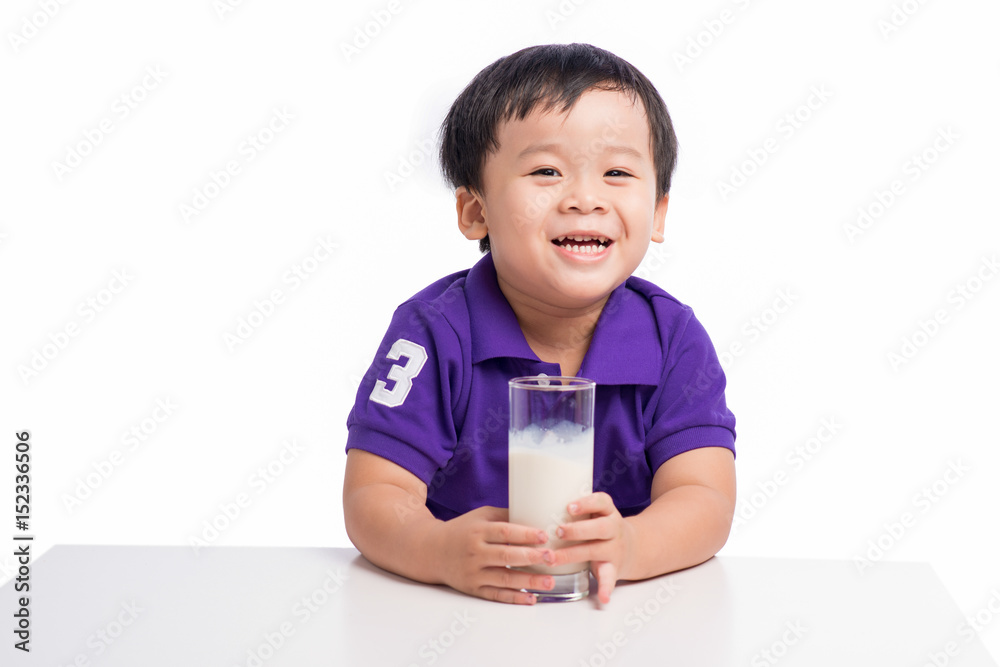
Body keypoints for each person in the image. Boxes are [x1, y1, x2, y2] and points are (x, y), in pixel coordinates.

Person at [343, 43, 736, 606]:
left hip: (624, 623)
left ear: (658, 214)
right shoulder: (432, 332)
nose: (584, 198)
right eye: (547, 170)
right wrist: (438, 551)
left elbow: (706, 498)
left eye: (617, 172)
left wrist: (629, 544)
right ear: (475, 211)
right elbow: (373, 493)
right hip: (455, 617)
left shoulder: (671, 338)